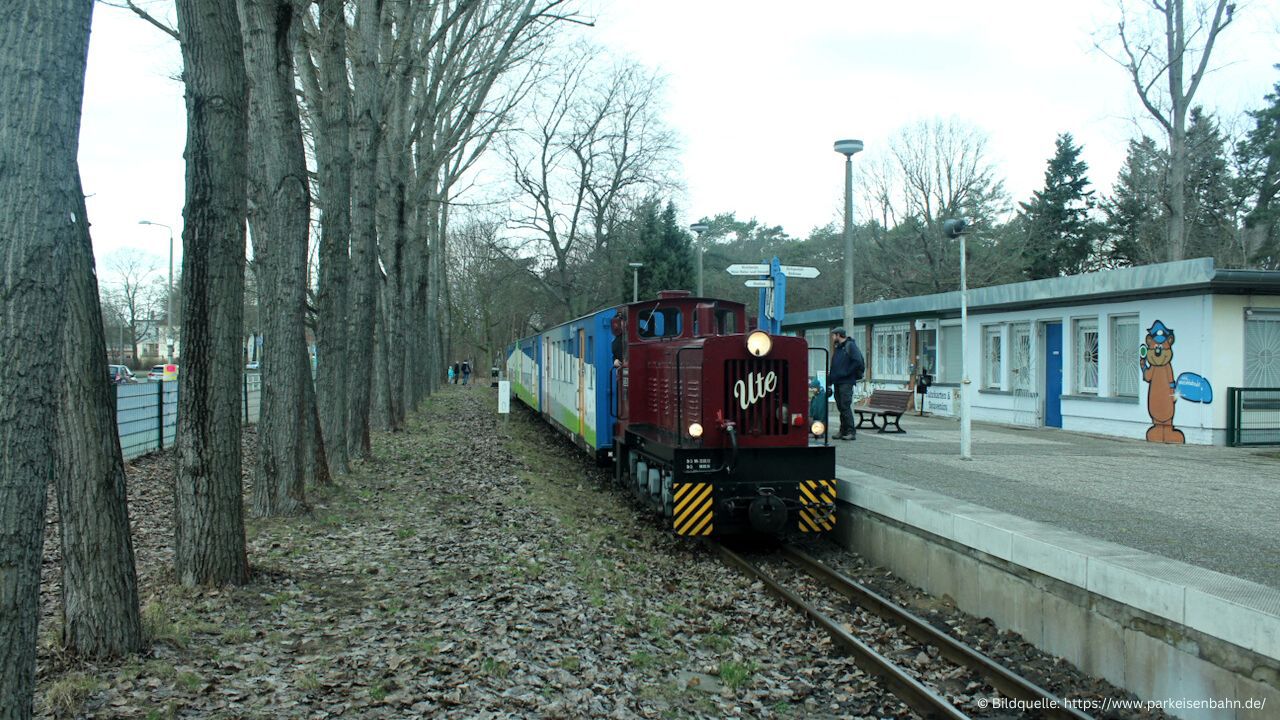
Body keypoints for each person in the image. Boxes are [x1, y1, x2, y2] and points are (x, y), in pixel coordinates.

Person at [827, 326, 865, 440]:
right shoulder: (838, 347)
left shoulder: (850, 346)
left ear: (838, 335)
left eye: (834, 335)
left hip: (846, 382)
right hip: (837, 381)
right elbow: (835, 365)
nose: (833, 337)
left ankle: (850, 432)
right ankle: (843, 430)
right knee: (840, 407)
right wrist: (830, 379)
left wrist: (846, 372)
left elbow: (857, 361)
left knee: (845, 406)